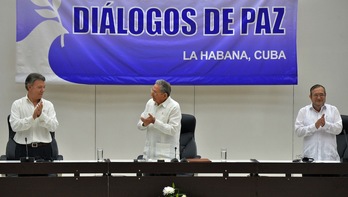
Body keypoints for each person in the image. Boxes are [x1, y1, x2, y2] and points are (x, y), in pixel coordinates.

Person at [10, 73, 59, 161]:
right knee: (24, 174)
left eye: (44, 87)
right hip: (23, 149)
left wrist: (41, 116)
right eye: (39, 87)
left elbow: (54, 126)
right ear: (29, 87)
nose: (43, 90)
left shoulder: (48, 105)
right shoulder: (17, 104)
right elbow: (14, 126)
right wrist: (32, 118)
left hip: (44, 149)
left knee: (44, 174)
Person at [295, 84, 342, 162]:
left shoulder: (333, 110)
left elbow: (339, 129)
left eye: (321, 95)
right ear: (310, 97)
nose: (319, 98)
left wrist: (325, 125)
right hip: (310, 160)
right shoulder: (303, 111)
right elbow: (298, 132)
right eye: (316, 95)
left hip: (330, 159)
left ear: (325, 96)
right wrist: (315, 126)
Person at [137, 79, 182, 161]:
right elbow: (139, 125)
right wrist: (144, 124)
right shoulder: (150, 103)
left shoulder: (174, 107)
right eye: (152, 90)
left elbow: (173, 130)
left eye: (155, 92)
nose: (151, 94)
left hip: (166, 157)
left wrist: (154, 122)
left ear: (164, 95)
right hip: (149, 155)